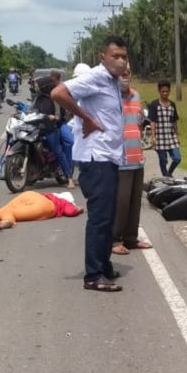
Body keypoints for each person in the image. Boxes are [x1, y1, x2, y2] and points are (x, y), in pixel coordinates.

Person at [51, 36, 129, 292]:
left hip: (109, 157)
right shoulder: (95, 77)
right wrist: (85, 117)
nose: (120, 61)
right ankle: (93, 275)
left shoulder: (113, 82)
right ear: (102, 57)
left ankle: (103, 265)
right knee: (100, 219)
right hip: (97, 160)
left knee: (107, 218)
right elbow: (59, 93)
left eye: (124, 57)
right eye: (115, 56)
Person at [112, 65, 152, 255]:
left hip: (137, 156)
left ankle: (131, 238)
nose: (124, 78)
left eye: (127, 74)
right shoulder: (112, 97)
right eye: (120, 75)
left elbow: (138, 123)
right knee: (121, 202)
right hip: (120, 158)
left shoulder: (136, 96)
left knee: (135, 201)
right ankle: (115, 239)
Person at [31, 75, 74, 188]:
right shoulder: (39, 98)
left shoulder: (55, 97)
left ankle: (69, 176)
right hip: (41, 127)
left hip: (54, 126)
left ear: (44, 86)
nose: (36, 87)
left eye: (38, 85)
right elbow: (32, 109)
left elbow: (58, 116)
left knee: (63, 146)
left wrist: (51, 117)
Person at [146, 80, 182, 177]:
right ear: (159, 91)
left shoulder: (172, 105)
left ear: (169, 91)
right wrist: (153, 137)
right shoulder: (154, 104)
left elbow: (174, 121)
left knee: (177, 158)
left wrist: (177, 136)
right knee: (163, 160)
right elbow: (152, 122)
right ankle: (166, 177)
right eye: (163, 91)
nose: (165, 93)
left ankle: (169, 173)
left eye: (167, 91)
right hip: (160, 137)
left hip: (171, 136)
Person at [0, 190, 82, 229]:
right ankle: (6, 221)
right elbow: (70, 211)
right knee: (12, 212)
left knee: (6, 208)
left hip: (31, 195)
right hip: (45, 206)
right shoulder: (64, 202)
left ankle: (5, 220)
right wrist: (79, 209)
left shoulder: (52, 195)